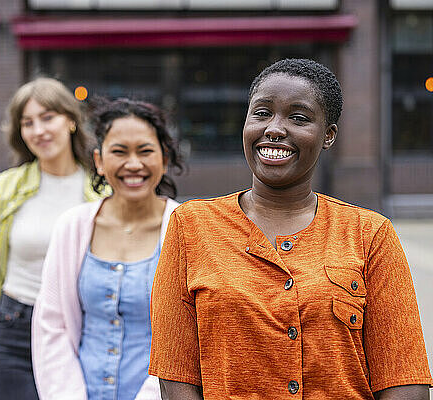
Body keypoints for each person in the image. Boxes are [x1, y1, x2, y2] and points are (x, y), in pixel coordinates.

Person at [149, 59, 432, 399]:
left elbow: (404, 378)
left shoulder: (369, 234)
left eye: (298, 118)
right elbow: (175, 373)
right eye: (262, 113)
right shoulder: (191, 226)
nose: (274, 129)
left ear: (328, 135)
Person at [32, 98, 184, 400]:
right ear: (99, 161)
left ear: (164, 159)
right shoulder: (72, 226)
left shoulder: (185, 230)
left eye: (145, 151)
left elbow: (186, 340)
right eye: (119, 152)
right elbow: (52, 324)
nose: (133, 164)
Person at [0, 77, 104, 400]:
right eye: (28, 123)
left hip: (81, 325)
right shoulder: (0, 192)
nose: (39, 130)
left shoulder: (102, 190)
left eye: (48, 117)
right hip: (15, 325)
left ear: (71, 121)